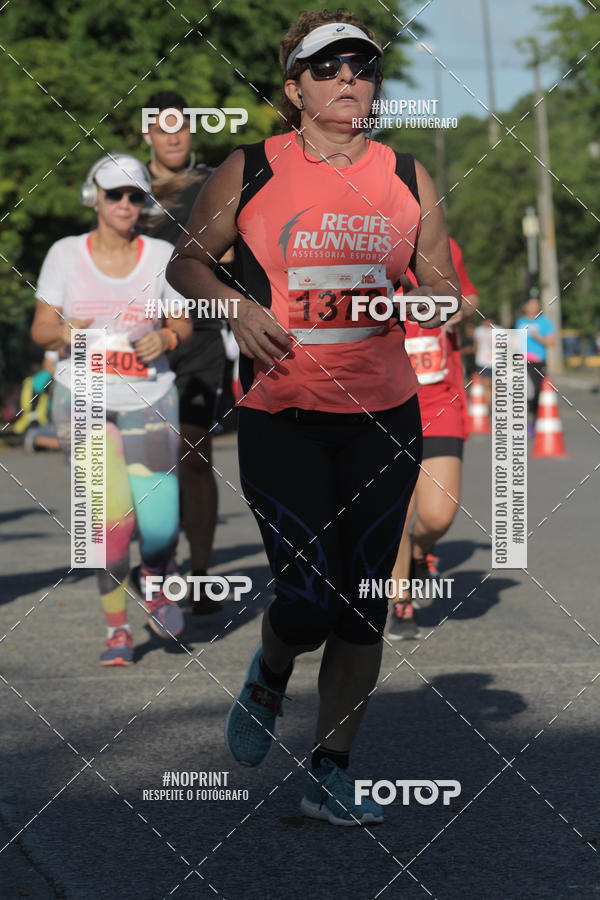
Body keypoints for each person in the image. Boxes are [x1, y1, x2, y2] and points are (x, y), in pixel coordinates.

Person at [166, 11, 461, 825]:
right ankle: (268, 670)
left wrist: (439, 304)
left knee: (362, 602)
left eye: (361, 68)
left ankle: (330, 769)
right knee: (306, 597)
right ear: (293, 87)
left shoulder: (406, 171)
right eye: (326, 68)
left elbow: (435, 281)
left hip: (385, 416)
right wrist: (233, 306)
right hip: (282, 411)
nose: (347, 81)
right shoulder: (252, 168)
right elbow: (186, 259)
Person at [31, 153, 191, 665]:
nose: (124, 204)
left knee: (162, 526)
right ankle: (118, 629)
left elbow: (184, 324)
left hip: (149, 396)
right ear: (93, 197)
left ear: (144, 204)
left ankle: (157, 575)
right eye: (114, 194)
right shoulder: (64, 254)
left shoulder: (162, 254)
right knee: (112, 530)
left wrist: (165, 335)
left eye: (134, 196)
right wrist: (63, 330)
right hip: (84, 398)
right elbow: (39, 328)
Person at [139, 90, 231, 614]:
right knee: (148, 458)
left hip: (199, 334)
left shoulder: (212, 182)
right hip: (139, 339)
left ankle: (199, 574)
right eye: (163, 126)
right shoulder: (126, 186)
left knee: (194, 452)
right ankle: (156, 561)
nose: (173, 135)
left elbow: (237, 246)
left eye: (182, 126)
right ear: (147, 131)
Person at [388, 237, 479, 639]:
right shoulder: (364, 244)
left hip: (439, 399)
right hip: (386, 398)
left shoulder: (442, 245)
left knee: (439, 513)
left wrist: (451, 309)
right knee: (397, 513)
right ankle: (400, 602)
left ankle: (421, 550)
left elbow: (470, 296)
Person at [515, 297, 556, 435]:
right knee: (524, 392)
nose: (534, 307)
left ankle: (536, 419)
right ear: (525, 306)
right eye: (531, 304)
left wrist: (537, 337)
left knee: (537, 392)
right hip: (521, 362)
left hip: (538, 363)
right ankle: (526, 422)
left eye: (536, 304)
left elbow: (551, 343)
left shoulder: (545, 322)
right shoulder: (520, 322)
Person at [473, 315, 494, 408]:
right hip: (483, 361)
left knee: (495, 384)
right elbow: (476, 346)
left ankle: (495, 404)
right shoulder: (479, 331)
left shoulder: (498, 329)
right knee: (487, 384)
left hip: (496, 361)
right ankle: (489, 406)